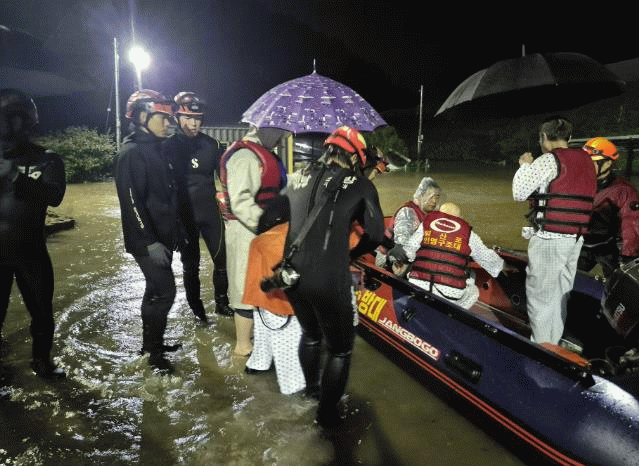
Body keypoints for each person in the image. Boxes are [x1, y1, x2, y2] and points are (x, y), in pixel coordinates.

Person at [283, 126, 385, 429]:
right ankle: (325, 420)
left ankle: (311, 393)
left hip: (291, 273)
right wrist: (352, 253)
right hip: (327, 277)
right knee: (340, 350)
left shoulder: (296, 177)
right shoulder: (361, 184)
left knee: (311, 334)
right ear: (354, 157)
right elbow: (375, 234)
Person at [114, 89, 184, 373]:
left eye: (169, 118)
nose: (168, 123)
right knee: (166, 292)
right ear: (142, 117)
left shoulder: (157, 148)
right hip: (146, 240)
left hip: (160, 236)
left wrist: (175, 230)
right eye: (162, 118)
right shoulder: (132, 153)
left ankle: (150, 345)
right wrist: (151, 241)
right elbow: (131, 201)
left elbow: (164, 195)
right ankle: (154, 355)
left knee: (154, 290)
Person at [0, 88, 67, 379]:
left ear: (20, 120)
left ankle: (42, 362)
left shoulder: (46, 159)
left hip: (31, 252)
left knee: (41, 313)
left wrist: (14, 176)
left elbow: (54, 196)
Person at [512, 117, 596, 345]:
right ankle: (553, 342)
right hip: (576, 238)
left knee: (540, 296)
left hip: (551, 238)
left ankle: (541, 348)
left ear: (544, 138)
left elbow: (519, 192)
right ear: (569, 137)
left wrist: (524, 166)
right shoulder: (587, 161)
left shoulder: (548, 160)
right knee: (561, 294)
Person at [163, 92, 233, 323]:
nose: (194, 124)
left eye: (198, 118)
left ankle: (222, 303)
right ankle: (197, 311)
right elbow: (162, 188)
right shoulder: (167, 147)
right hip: (184, 217)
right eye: (188, 118)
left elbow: (225, 180)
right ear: (177, 118)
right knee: (190, 266)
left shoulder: (211, 145)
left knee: (222, 261)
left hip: (210, 212)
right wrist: (169, 223)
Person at [219, 126, 288, 357]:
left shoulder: (262, 154)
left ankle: (257, 345)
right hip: (246, 231)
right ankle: (242, 347)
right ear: (262, 127)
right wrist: (268, 224)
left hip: (264, 231)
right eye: (279, 132)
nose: (282, 138)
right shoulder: (244, 156)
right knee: (244, 288)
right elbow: (241, 203)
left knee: (263, 285)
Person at [392, 202, 504, 309]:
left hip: (417, 286)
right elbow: (490, 261)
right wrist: (503, 266)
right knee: (474, 289)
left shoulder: (425, 226)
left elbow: (408, 252)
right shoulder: (469, 235)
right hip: (448, 295)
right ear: (459, 218)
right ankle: (454, 314)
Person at [241, 222, 305, 395]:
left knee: (265, 322)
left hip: (268, 248)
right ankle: (293, 384)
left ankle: (259, 363)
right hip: (283, 256)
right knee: (288, 332)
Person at [578, 137, 639, 278]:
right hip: (580, 245)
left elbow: (631, 226)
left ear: (607, 163)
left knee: (619, 283)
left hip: (608, 247)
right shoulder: (578, 184)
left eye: (592, 162)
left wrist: (627, 258)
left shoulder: (623, 191)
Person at [385, 177, 442, 270]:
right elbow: (402, 245)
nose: (434, 201)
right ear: (421, 195)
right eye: (431, 196)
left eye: (437, 197)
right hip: (394, 259)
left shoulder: (431, 214)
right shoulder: (407, 212)